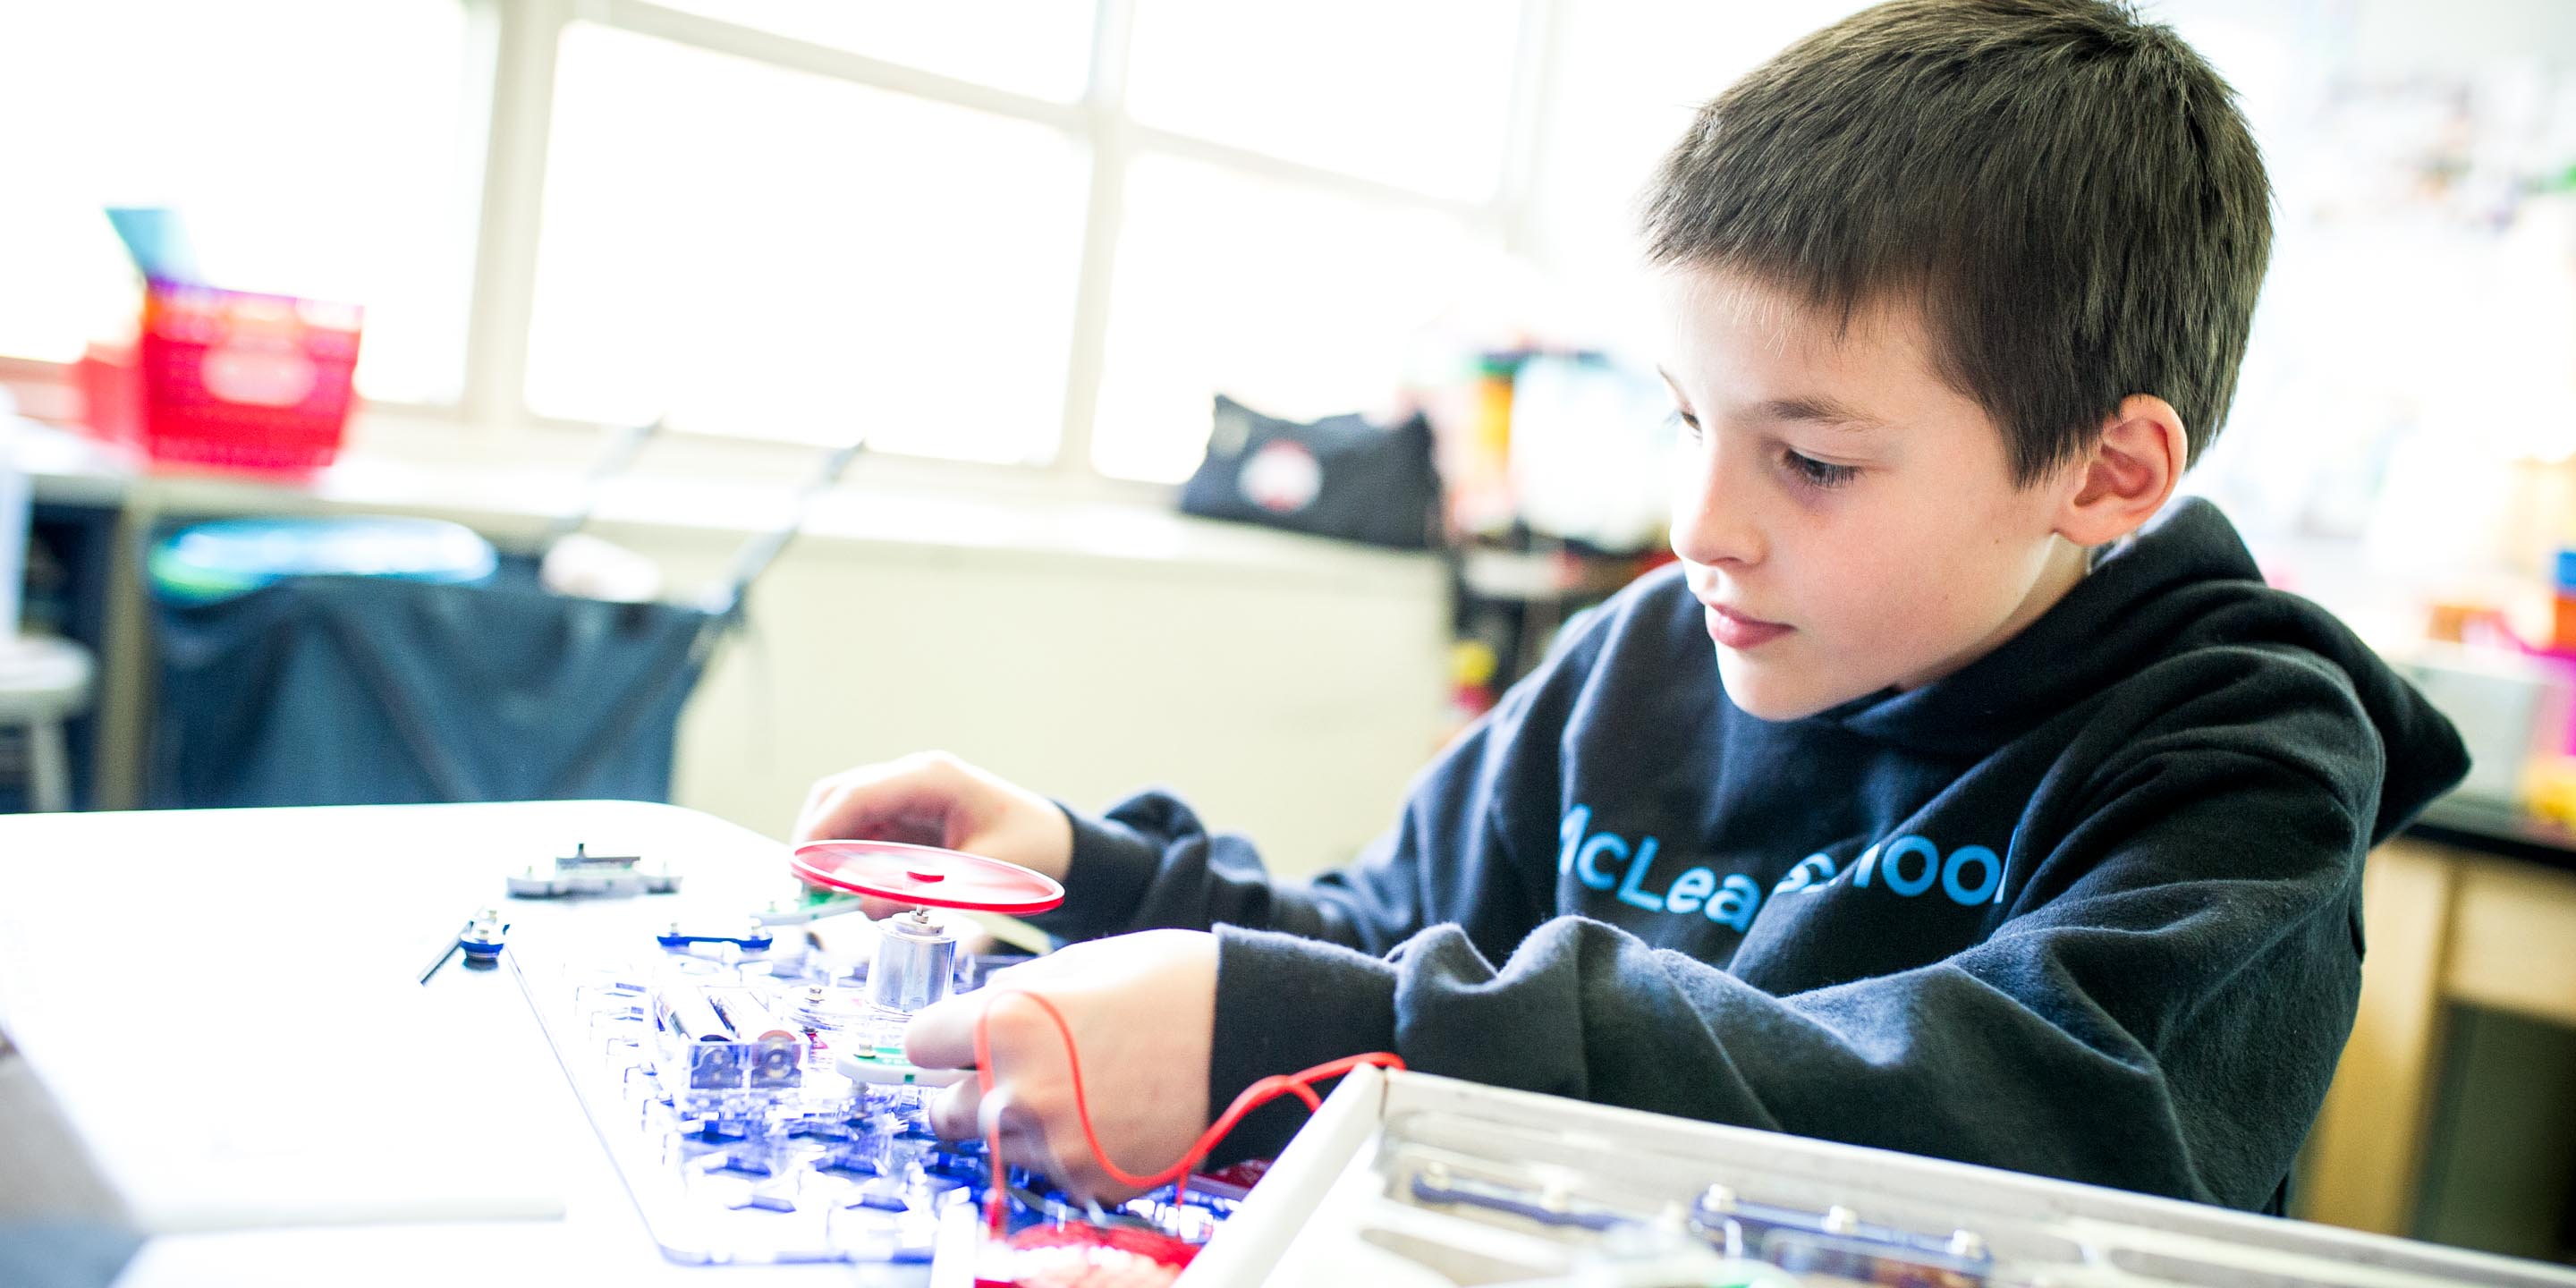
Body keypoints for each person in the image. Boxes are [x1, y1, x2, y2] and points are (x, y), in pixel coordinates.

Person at [795, 0, 2468, 1215]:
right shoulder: (1650, 660)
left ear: (2105, 475)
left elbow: (2030, 1116)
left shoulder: (2244, 747)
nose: (1702, 529)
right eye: (1687, 421)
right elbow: (1399, 942)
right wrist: (1090, 875)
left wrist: (1328, 1040)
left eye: (1810, 461)